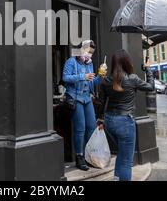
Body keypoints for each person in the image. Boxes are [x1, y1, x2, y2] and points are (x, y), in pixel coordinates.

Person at [98, 50, 154, 181]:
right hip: (125, 122)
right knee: (126, 161)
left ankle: (117, 178)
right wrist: (148, 70)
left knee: (121, 155)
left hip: (109, 121)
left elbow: (101, 102)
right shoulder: (132, 78)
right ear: (127, 62)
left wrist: (100, 119)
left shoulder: (106, 80)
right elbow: (151, 86)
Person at [62, 40, 106, 171]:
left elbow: (92, 83)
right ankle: (79, 157)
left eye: (91, 53)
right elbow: (65, 78)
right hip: (76, 98)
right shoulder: (71, 61)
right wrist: (83, 76)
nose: (89, 55)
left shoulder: (89, 64)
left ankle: (89, 155)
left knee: (92, 127)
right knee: (80, 128)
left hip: (87, 98)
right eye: (88, 52)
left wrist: (101, 75)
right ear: (81, 49)